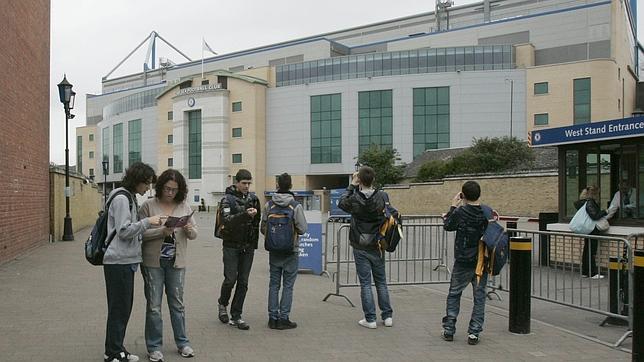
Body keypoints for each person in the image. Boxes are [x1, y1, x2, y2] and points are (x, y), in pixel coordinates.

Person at [103, 162, 162, 362]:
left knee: (122, 307)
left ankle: (116, 349)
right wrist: (148, 222)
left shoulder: (128, 197)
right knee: (119, 308)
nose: (148, 188)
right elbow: (124, 231)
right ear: (137, 181)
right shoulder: (121, 198)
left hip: (124, 261)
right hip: (118, 261)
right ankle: (112, 353)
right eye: (146, 184)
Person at [139, 169, 198, 361]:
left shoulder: (184, 206)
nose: (170, 193)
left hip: (176, 262)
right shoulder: (148, 206)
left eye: (174, 189)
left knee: (177, 304)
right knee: (154, 305)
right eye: (167, 188)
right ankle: (154, 347)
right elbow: (139, 235)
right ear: (160, 187)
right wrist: (161, 232)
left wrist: (189, 229)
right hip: (153, 262)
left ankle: (183, 343)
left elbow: (194, 233)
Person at [338, 166, 393, 329]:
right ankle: (387, 316)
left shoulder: (355, 198)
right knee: (381, 281)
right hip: (377, 243)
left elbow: (341, 203)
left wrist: (352, 185)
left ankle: (370, 318)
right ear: (373, 179)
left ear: (360, 180)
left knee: (366, 283)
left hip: (360, 244)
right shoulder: (382, 196)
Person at [441, 181, 489, 345]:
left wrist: (453, 207)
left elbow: (448, 225)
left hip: (462, 259)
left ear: (463, 196)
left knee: (454, 293)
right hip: (481, 260)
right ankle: (474, 332)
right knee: (479, 296)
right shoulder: (486, 213)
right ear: (479, 194)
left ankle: (449, 329)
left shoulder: (460, 212)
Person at [261, 173, 308, 330]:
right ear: (290, 186)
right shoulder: (295, 206)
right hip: (291, 251)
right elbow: (302, 229)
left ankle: (272, 318)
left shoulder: (269, 205)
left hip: (274, 251)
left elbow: (263, 228)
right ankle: (284, 318)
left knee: (274, 284)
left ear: (277, 185)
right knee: (288, 286)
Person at [217, 169, 261, 330]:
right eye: (244, 183)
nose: (247, 186)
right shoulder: (227, 200)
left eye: (249, 183)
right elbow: (227, 221)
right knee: (230, 279)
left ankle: (236, 315)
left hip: (248, 247)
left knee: (243, 282)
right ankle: (222, 303)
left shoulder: (254, 199)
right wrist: (245, 214)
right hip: (230, 245)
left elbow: (256, 224)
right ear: (237, 182)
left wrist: (254, 245)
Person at [575, 185, 608, 279]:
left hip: (587, 229)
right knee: (591, 251)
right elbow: (594, 216)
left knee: (587, 250)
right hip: (592, 230)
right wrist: (604, 211)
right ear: (594, 194)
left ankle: (585, 271)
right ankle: (592, 273)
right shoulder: (590, 203)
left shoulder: (584, 202)